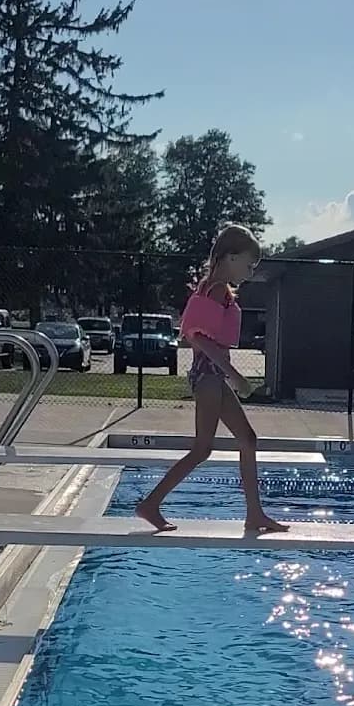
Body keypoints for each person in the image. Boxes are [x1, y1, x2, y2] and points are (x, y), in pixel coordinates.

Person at [135, 224, 288, 533]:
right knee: (203, 448)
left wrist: (227, 375)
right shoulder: (215, 290)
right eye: (248, 264)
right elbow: (198, 339)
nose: (250, 271)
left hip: (212, 376)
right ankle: (150, 504)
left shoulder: (213, 288)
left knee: (247, 439)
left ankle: (255, 514)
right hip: (209, 376)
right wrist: (235, 376)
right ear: (230, 257)